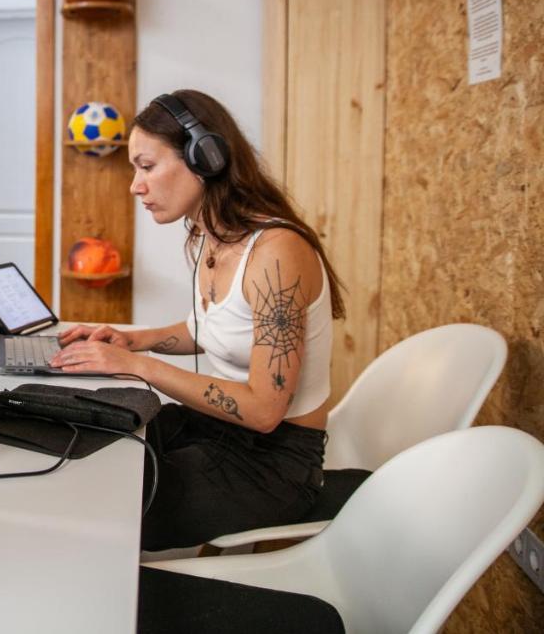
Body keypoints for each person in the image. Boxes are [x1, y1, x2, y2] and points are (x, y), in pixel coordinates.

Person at [48, 89, 345, 551]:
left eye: (146, 167)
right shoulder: (211, 237)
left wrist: (137, 366)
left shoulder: (276, 255)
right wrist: (130, 342)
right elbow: (207, 330)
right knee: (88, 448)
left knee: (105, 512)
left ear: (204, 158)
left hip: (275, 465)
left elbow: (265, 412)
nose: (135, 185)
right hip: (221, 430)